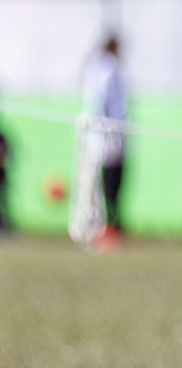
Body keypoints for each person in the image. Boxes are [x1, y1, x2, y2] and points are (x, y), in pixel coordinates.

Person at [81, 34, 128, 251]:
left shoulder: (104, 69)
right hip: (107, 135)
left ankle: (113, 225)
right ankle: (105, 227)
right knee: (108, 183)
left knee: (113, 183)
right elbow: (104, 103)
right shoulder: (107, 70)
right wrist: (110, 130)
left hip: (110, 133)